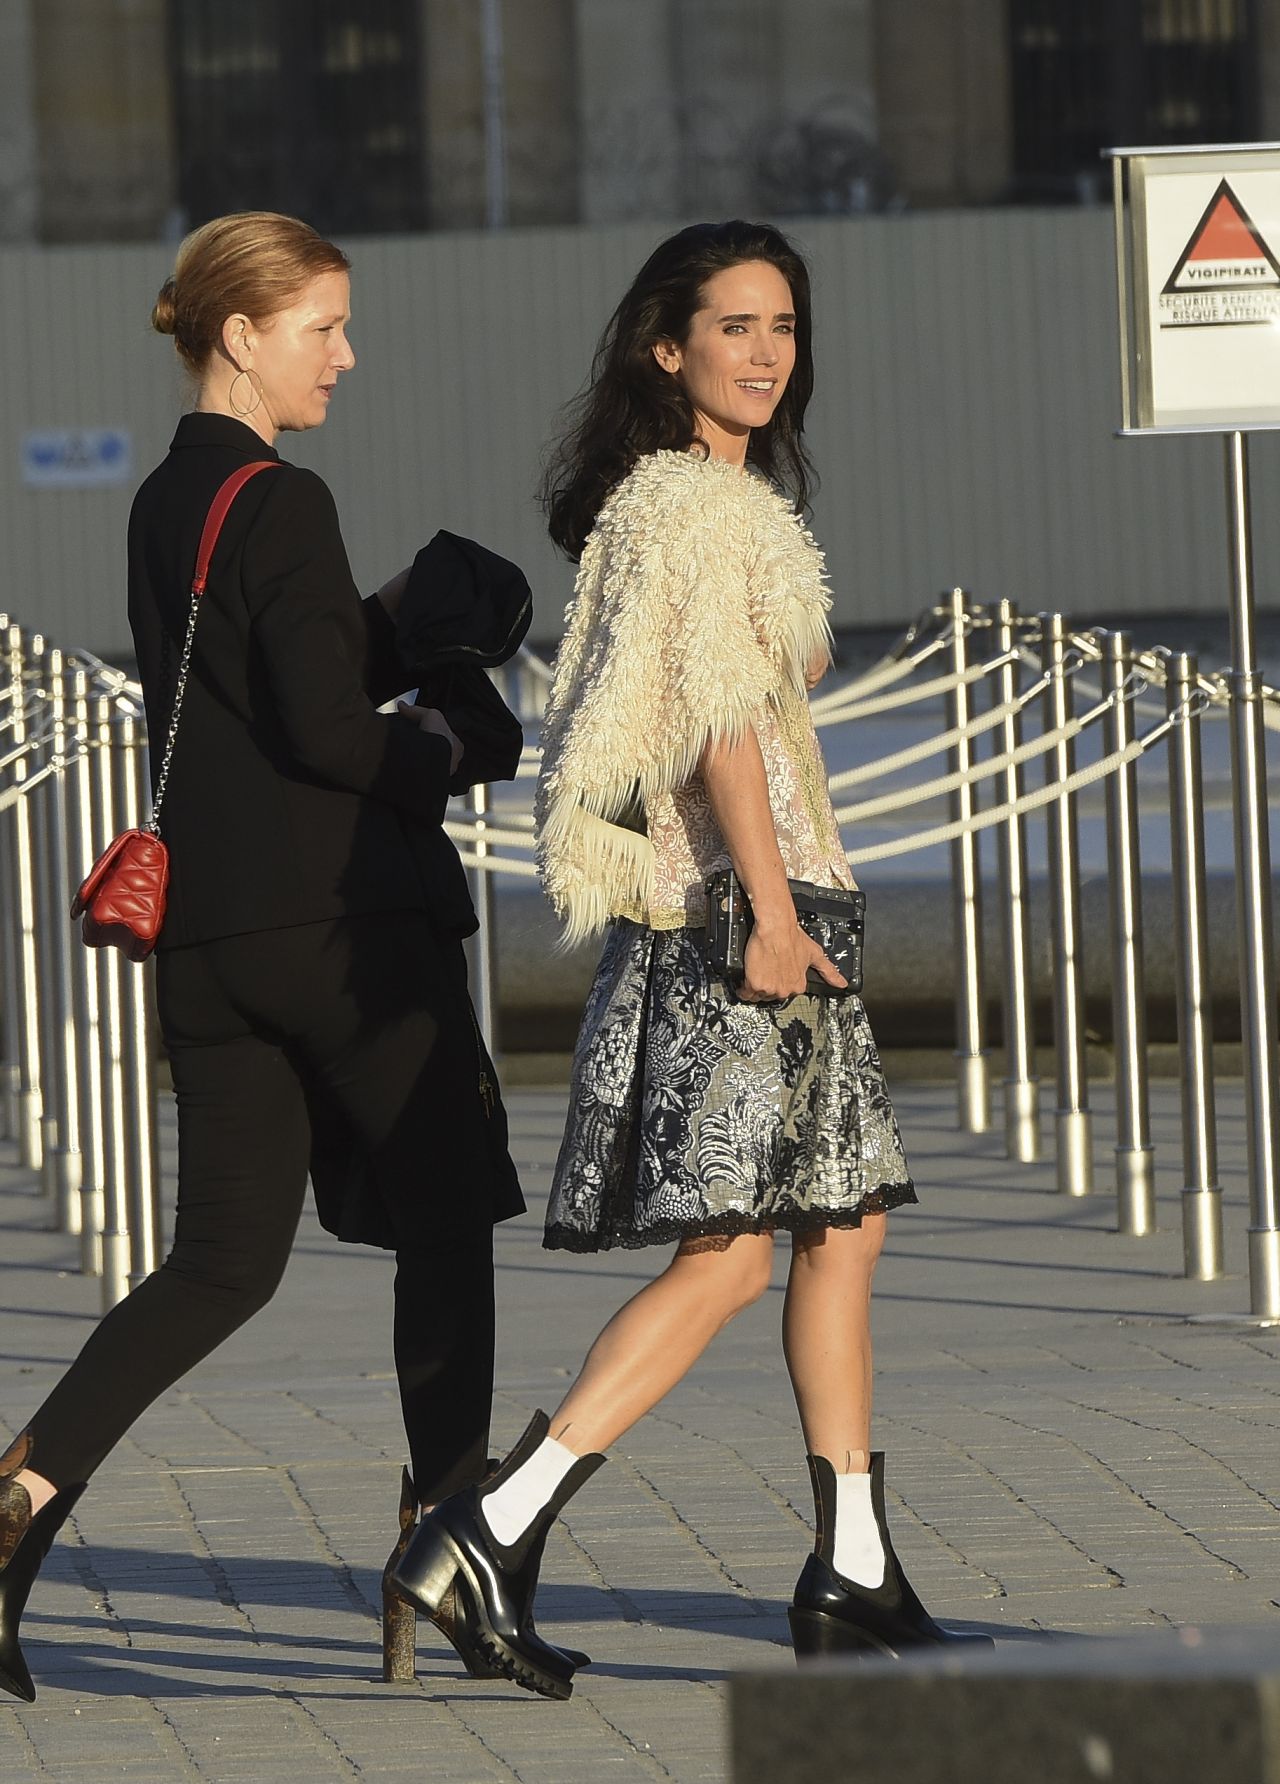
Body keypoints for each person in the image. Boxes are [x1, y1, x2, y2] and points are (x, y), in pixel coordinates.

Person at [389, 221, 993, 1699]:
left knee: (841, 1224)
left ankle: (851, 1563)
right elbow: (722, 719)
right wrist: (777, 916)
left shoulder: (691, 503)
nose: (770, 352)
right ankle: (490, 1526)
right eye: (736, 326)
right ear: (669, 349)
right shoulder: (695, 509)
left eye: (785, 325)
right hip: (739, 917)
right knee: (727, 1256)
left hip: (776, 901)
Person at [0, 211, 530, 1703]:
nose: (345, 357)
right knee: (445, 1213)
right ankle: (450, 1544)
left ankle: (18, 1507)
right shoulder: (283, 497)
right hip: (336, 934)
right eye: (323, 329)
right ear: (241, 333)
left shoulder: (170, 499)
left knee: (222, 1262)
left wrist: (376, 632)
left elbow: (253, 681)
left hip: (209, 947)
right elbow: (316, 731)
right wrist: (441, 733)